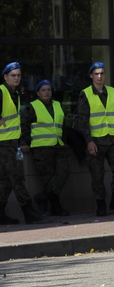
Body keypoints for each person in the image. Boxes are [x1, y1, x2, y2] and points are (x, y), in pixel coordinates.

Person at [77, 61, 114, 217]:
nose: (100, 76)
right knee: (97, 174)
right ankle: (101, 204)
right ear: (91, 76)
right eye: (97, 74)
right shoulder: (85, 94)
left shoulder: (112, 92)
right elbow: (82, 120)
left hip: (113, 138)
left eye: (102, 73)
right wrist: (89, 141)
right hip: (96, 141)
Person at [0, 62, 46, 224]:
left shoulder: (15, 93)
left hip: (12, 143)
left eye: (18, 75)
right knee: (17, 177)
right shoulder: (2, 92)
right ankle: (28, 211)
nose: (17, 78)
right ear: (5, 77)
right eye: (13, 75)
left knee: (5, 180)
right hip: (4, 144)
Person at [20, 80, 70, 216]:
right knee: (48, 177)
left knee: (64, 172)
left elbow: (62, 125)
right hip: (41, 147)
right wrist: (24, 142)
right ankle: (56, 207)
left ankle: (43, 196)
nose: (47, 92)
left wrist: (64, 141)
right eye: (43, 90)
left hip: (58, 145)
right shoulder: (32, 106)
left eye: (49, 89)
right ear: (38, 93)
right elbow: (24, 125)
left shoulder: (58, 105)